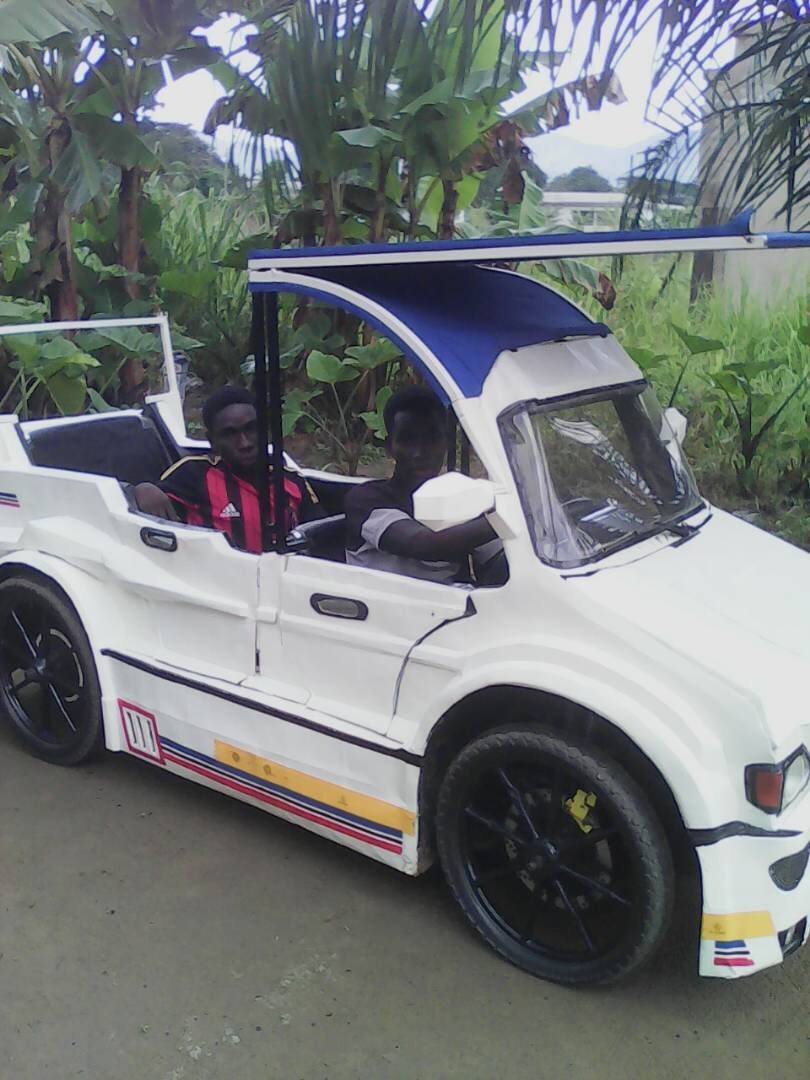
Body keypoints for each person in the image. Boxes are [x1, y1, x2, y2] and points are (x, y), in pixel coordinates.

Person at [133, 386, 320, 554]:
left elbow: (322, 533)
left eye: (251, 429)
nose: (244, 443)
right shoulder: (194, 475)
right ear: (212, 441)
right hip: (217, 585)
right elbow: (134, 506)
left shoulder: (291, 480)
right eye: (230, 434)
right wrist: (143, 489)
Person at [345, 385, 500, 583]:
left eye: (432, 439)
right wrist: (506, 516)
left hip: (454, 607)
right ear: (389, 447)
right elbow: (421, 544)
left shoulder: (461, 498)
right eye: (407, 440)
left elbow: (497, 560)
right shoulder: (366, 499)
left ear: (446, 443)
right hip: (387, 608)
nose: (419, 453)